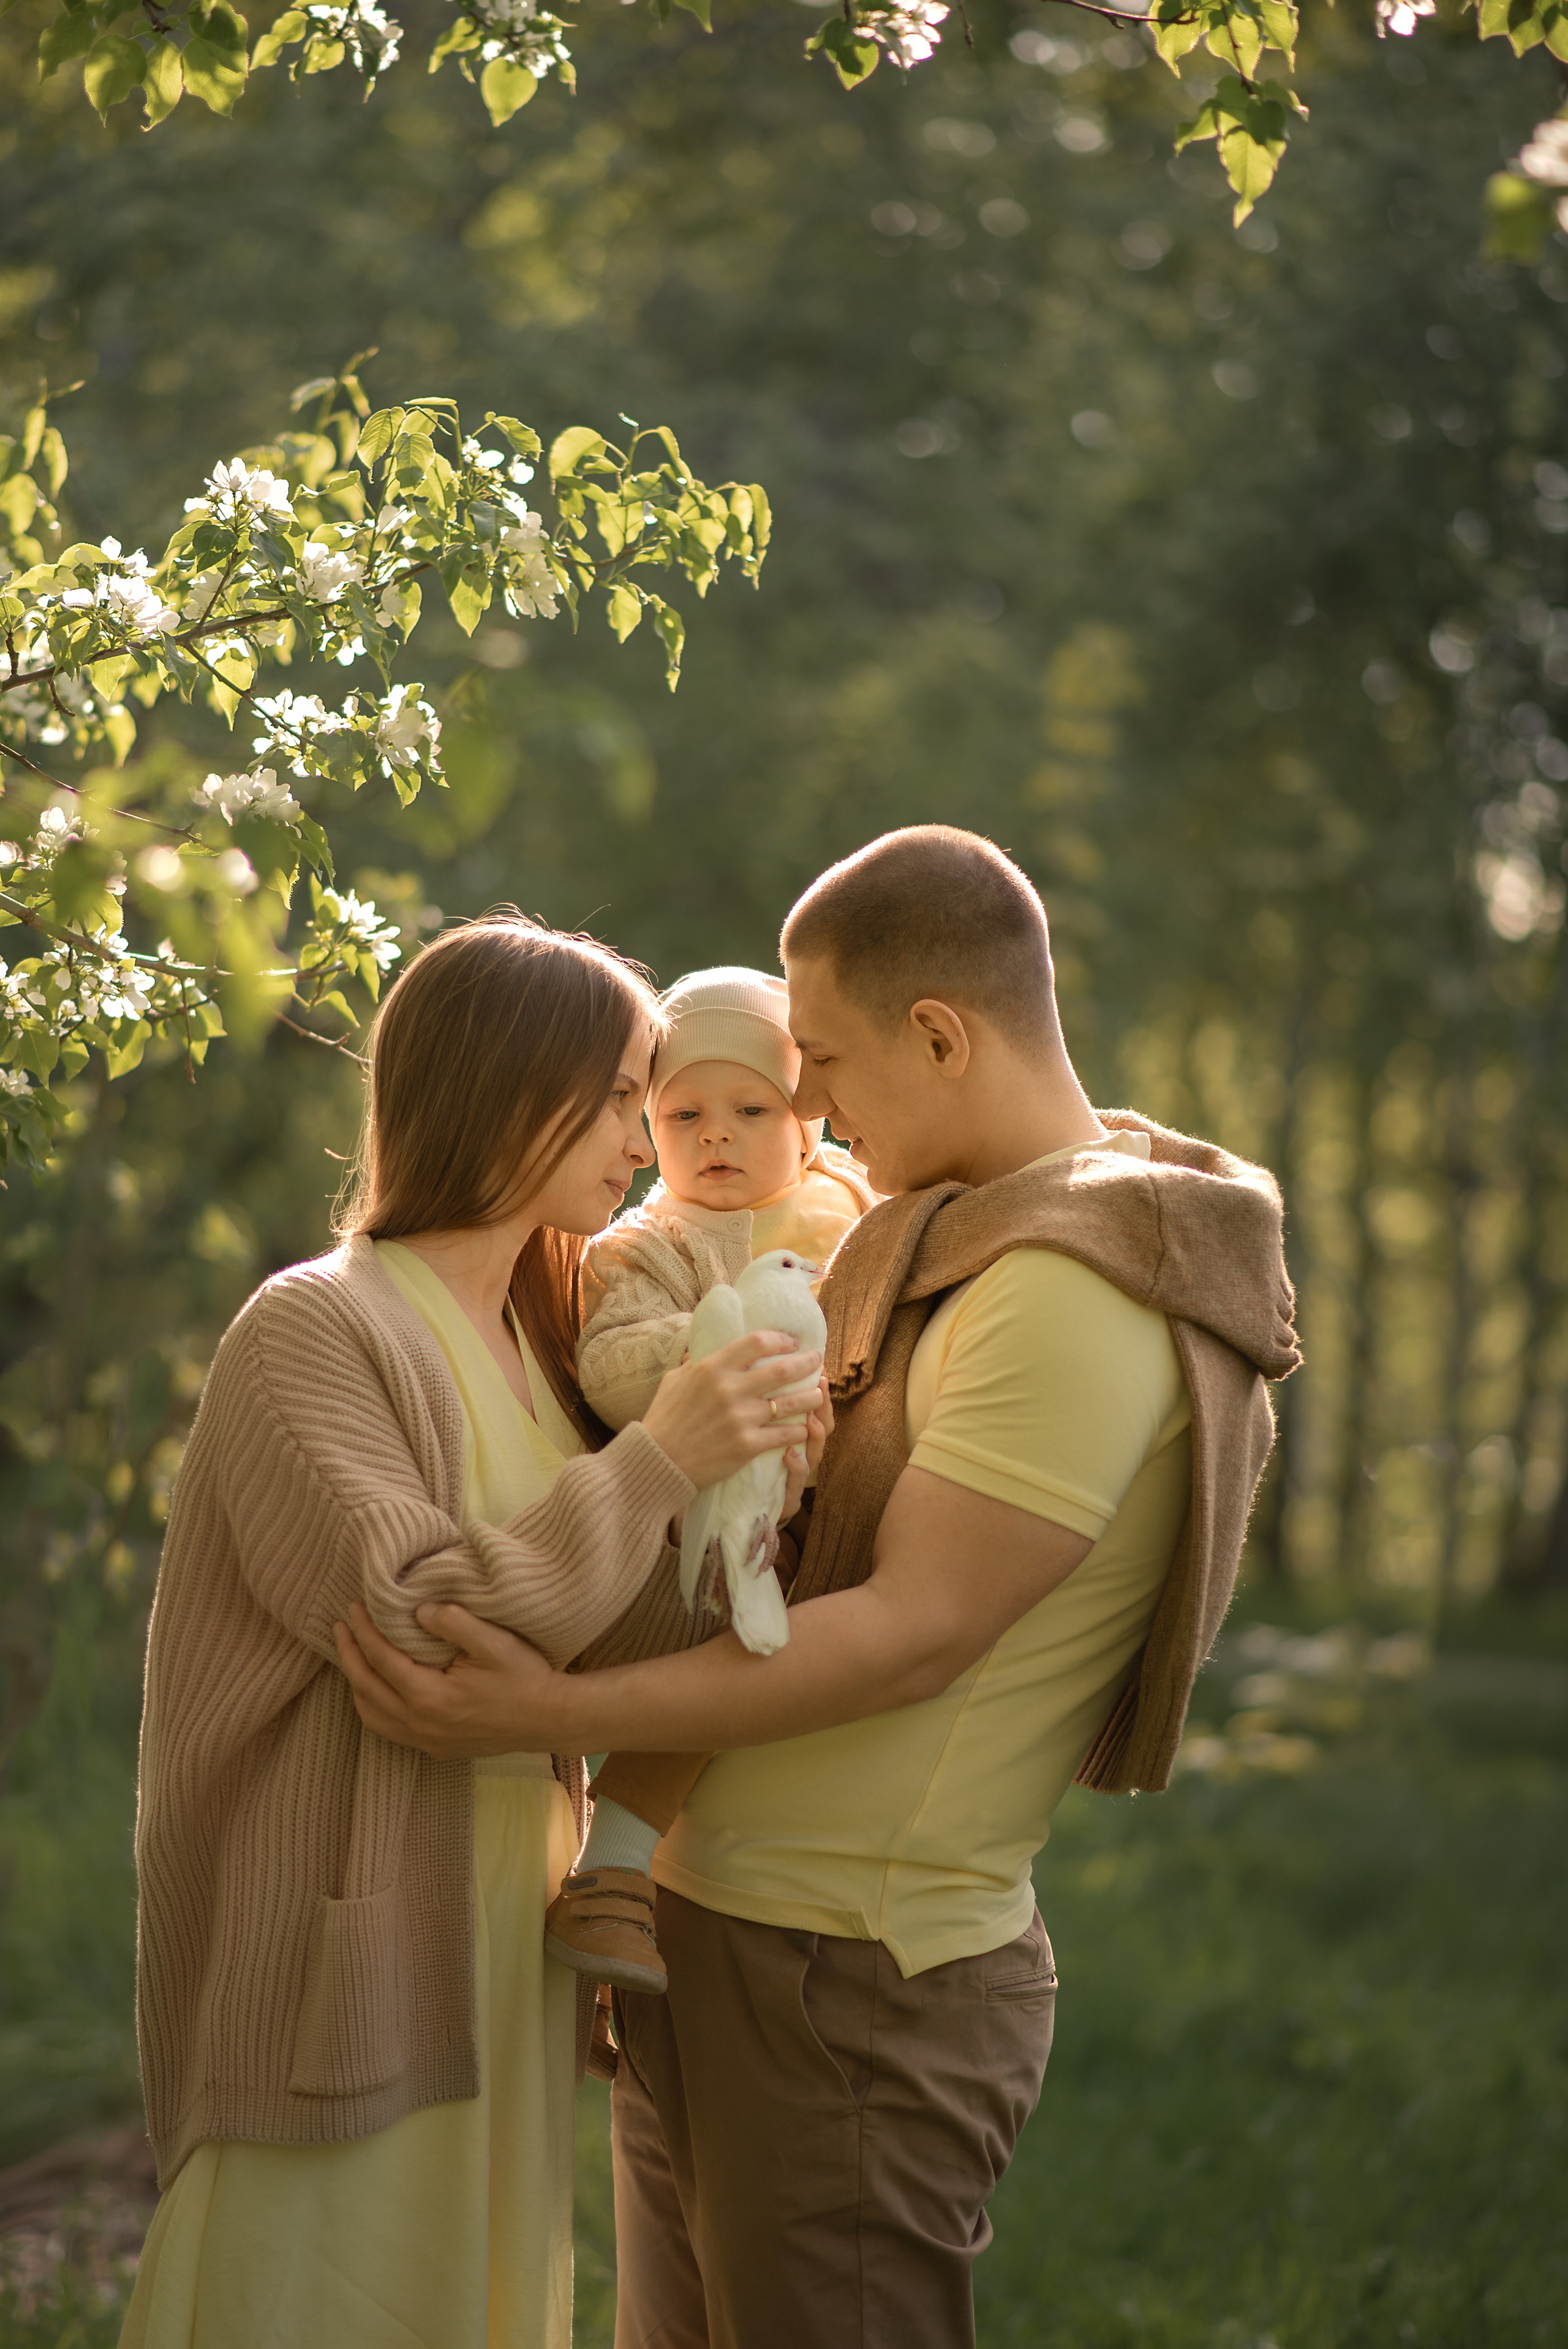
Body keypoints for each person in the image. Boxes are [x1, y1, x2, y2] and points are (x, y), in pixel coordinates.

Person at [336, 829, 1302, 2349]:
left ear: (937, 1034)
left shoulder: (1069, 1284)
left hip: (845, 1976)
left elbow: (912, 1631)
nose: (814, 1113)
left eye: (827, 1066)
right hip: (713, 1941)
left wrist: (547, 1711)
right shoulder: (947, 1244)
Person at [118, 914, 826, 2349]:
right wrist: (664, 1462)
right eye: (627, 1092)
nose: (651, 1134)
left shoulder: (545, 1345)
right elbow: (424, 1616)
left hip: (505, 1951)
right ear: (514, 1088)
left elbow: (595, 1633)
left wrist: (763, 1481)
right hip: (342, 1974)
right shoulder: (313, 1329)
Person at [546, 965, 875, 1994]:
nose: (716, 1136)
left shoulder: (860, 1212)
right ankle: (612, 1871)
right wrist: (724, 1333)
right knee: (721, 1652)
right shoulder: (651, 1245)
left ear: (808, 1124)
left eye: (750, 1108)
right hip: (717, 1516)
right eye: (683, 1113)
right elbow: (609, 1364)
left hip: (851, 1502)